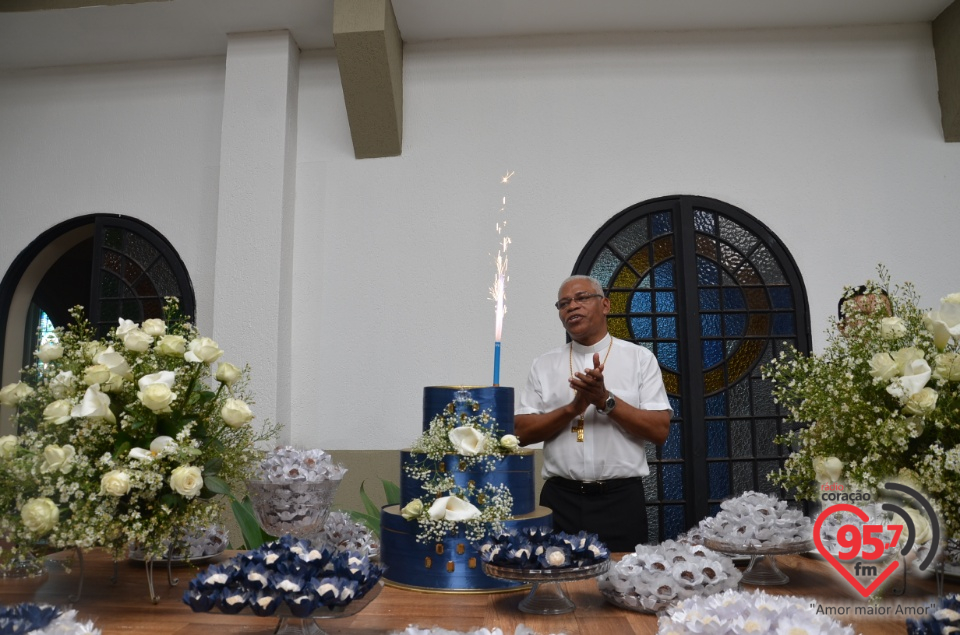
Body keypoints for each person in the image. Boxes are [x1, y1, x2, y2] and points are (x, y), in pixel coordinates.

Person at [515, 275, 672, 551]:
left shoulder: (639, 359)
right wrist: (572, 409)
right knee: (557, 586)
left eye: (581, 298)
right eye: (563, 303)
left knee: (620, 588)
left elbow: (659, 431)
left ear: (606, 305)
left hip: (620, 501)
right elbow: (521, 433)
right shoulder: (544, 364)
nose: (571, 306)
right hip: (560, 500)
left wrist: (605, 401)